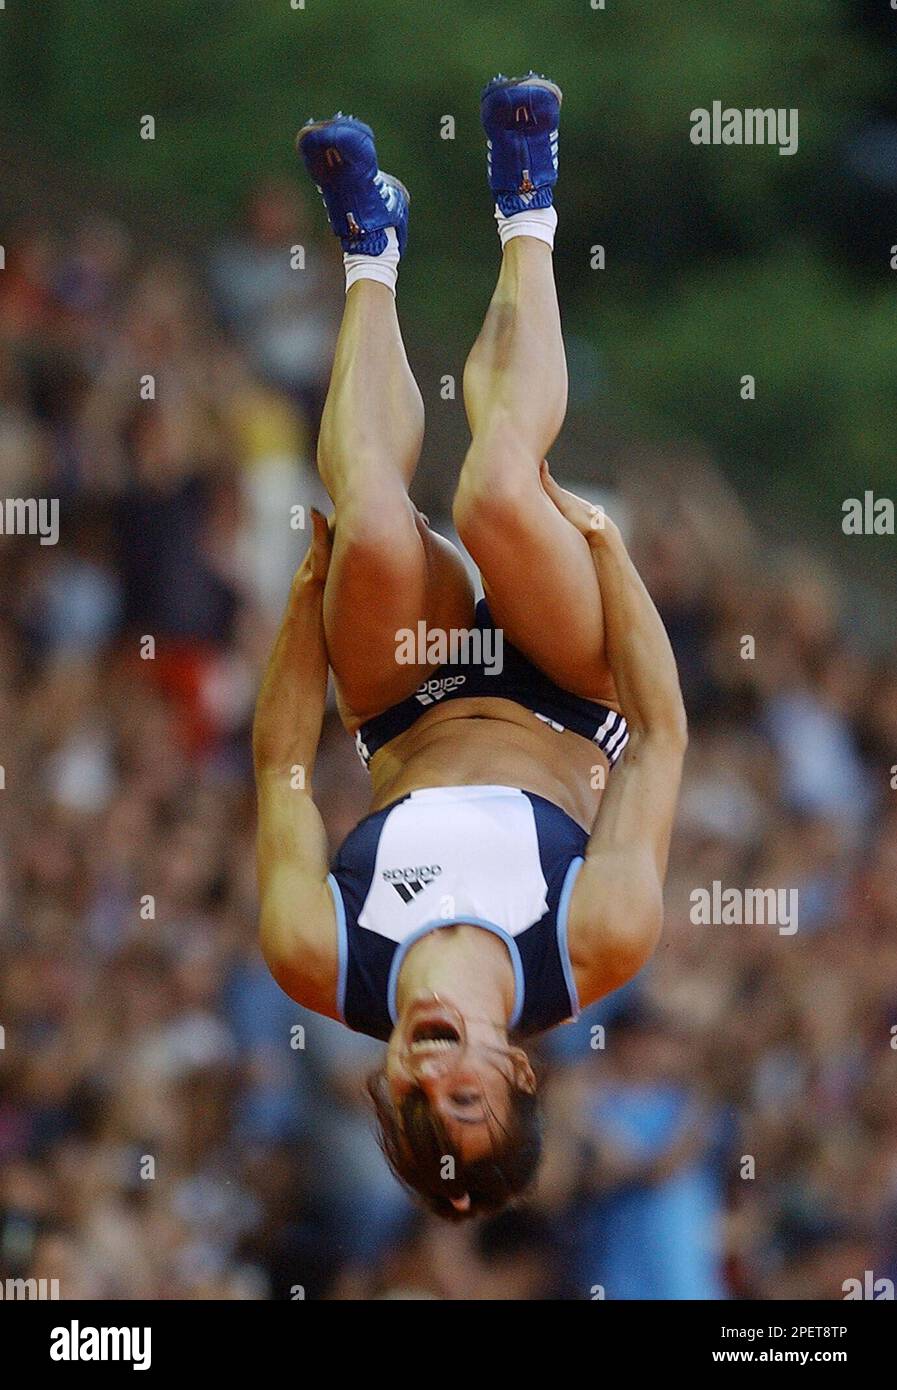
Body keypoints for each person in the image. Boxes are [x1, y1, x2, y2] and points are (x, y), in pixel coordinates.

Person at [253, 74, 688, 1219]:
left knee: (374, 519)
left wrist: (312, 595)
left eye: (414, 1102)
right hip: (563, 690)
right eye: (467, 1099)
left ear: (386, 1076)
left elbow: (284, 768)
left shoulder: (319, 952)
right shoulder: (596, 937)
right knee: (500, 487)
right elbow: (661, 736)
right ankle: (527, 210)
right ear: (519, 1067)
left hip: (406, 698)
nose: (436, 1077)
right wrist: (607, 550)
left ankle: (369, 252)